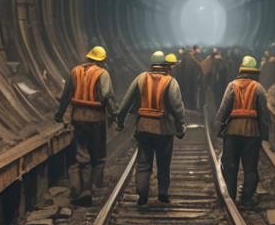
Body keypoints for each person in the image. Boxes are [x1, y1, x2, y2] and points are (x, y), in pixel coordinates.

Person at [117, 51, 186, 205]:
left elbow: (125, 103)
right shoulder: (171, 82)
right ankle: (162, 193)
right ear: (165, 66)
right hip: (164, 129)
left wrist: (120, 121)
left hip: (143, 127)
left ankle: (142, 194)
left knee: (143, 162)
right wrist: (180, 126)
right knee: (163, 162)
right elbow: (177, 108)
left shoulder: (140, 78)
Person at [54, 46, 117, 206]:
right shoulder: (103, 74)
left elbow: (66, 95)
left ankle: (84, 189)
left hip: (78, 117)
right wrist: (113, 115)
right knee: (98, 152)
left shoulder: (75, 71)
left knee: (82, 153)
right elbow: (106, 96)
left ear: (89, 57)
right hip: (96, 118)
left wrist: (60, 114)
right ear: (102, 60)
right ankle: (93, 188)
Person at [216, 55, 271, 206]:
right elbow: (265, 114)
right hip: (252, 134)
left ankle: (231, 196)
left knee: (230, 166)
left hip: (232, 133)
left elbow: (223, 110)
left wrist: (219, 128)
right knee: (250, 169)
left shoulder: (231, 86)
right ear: (255, 72)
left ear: (241, 70)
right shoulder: (258, 88)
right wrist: (264, 136)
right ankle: (246, 199)